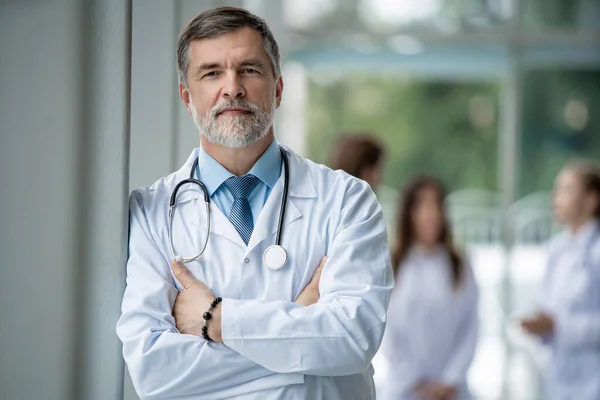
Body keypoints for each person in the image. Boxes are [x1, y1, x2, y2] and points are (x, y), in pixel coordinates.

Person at [116, 7, 393, 400]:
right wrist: (301, 337)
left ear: (278, 88)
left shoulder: (347, 200)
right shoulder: (150, 212)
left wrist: (215, 318)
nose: (232, 87)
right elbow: (154, 372)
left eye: (249, 69)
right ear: (186, 96)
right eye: (212, 73)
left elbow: (352, 338)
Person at [383, 175, 479, 400]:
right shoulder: (392, 263)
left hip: (452, 391)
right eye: (423, 205)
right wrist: (416, 381)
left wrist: (449, 380)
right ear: (409, 213)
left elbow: (471, 326)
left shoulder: (460, 264)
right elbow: (387, 330)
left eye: (437, 204)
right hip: (405, 389)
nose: (431, 214)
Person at [520, 160, 600, 400]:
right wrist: (540, 324)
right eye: (556, 190)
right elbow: (549, 306)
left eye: (566, 190)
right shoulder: (556, 250)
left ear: (591, 199)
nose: (556, 198)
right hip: (558, 378)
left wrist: (559, 326)